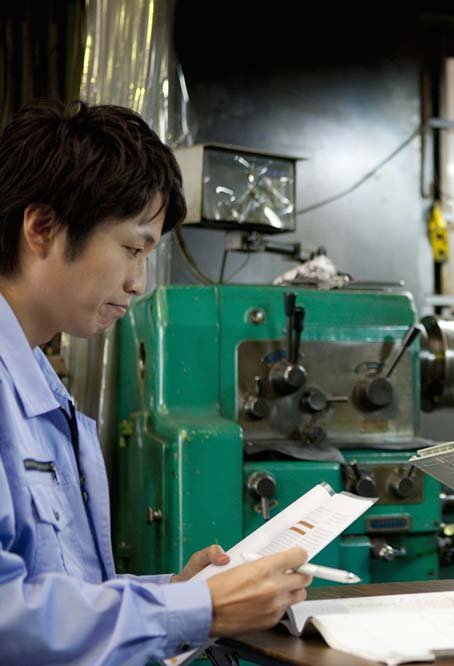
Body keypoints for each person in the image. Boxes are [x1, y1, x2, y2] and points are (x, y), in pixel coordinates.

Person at [0, 99, 311, 665]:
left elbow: (59, 593)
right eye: (132, 248)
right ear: (42, 228)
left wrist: (175, 595)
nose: (139, 281)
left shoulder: (42, 387)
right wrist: (199, 611)